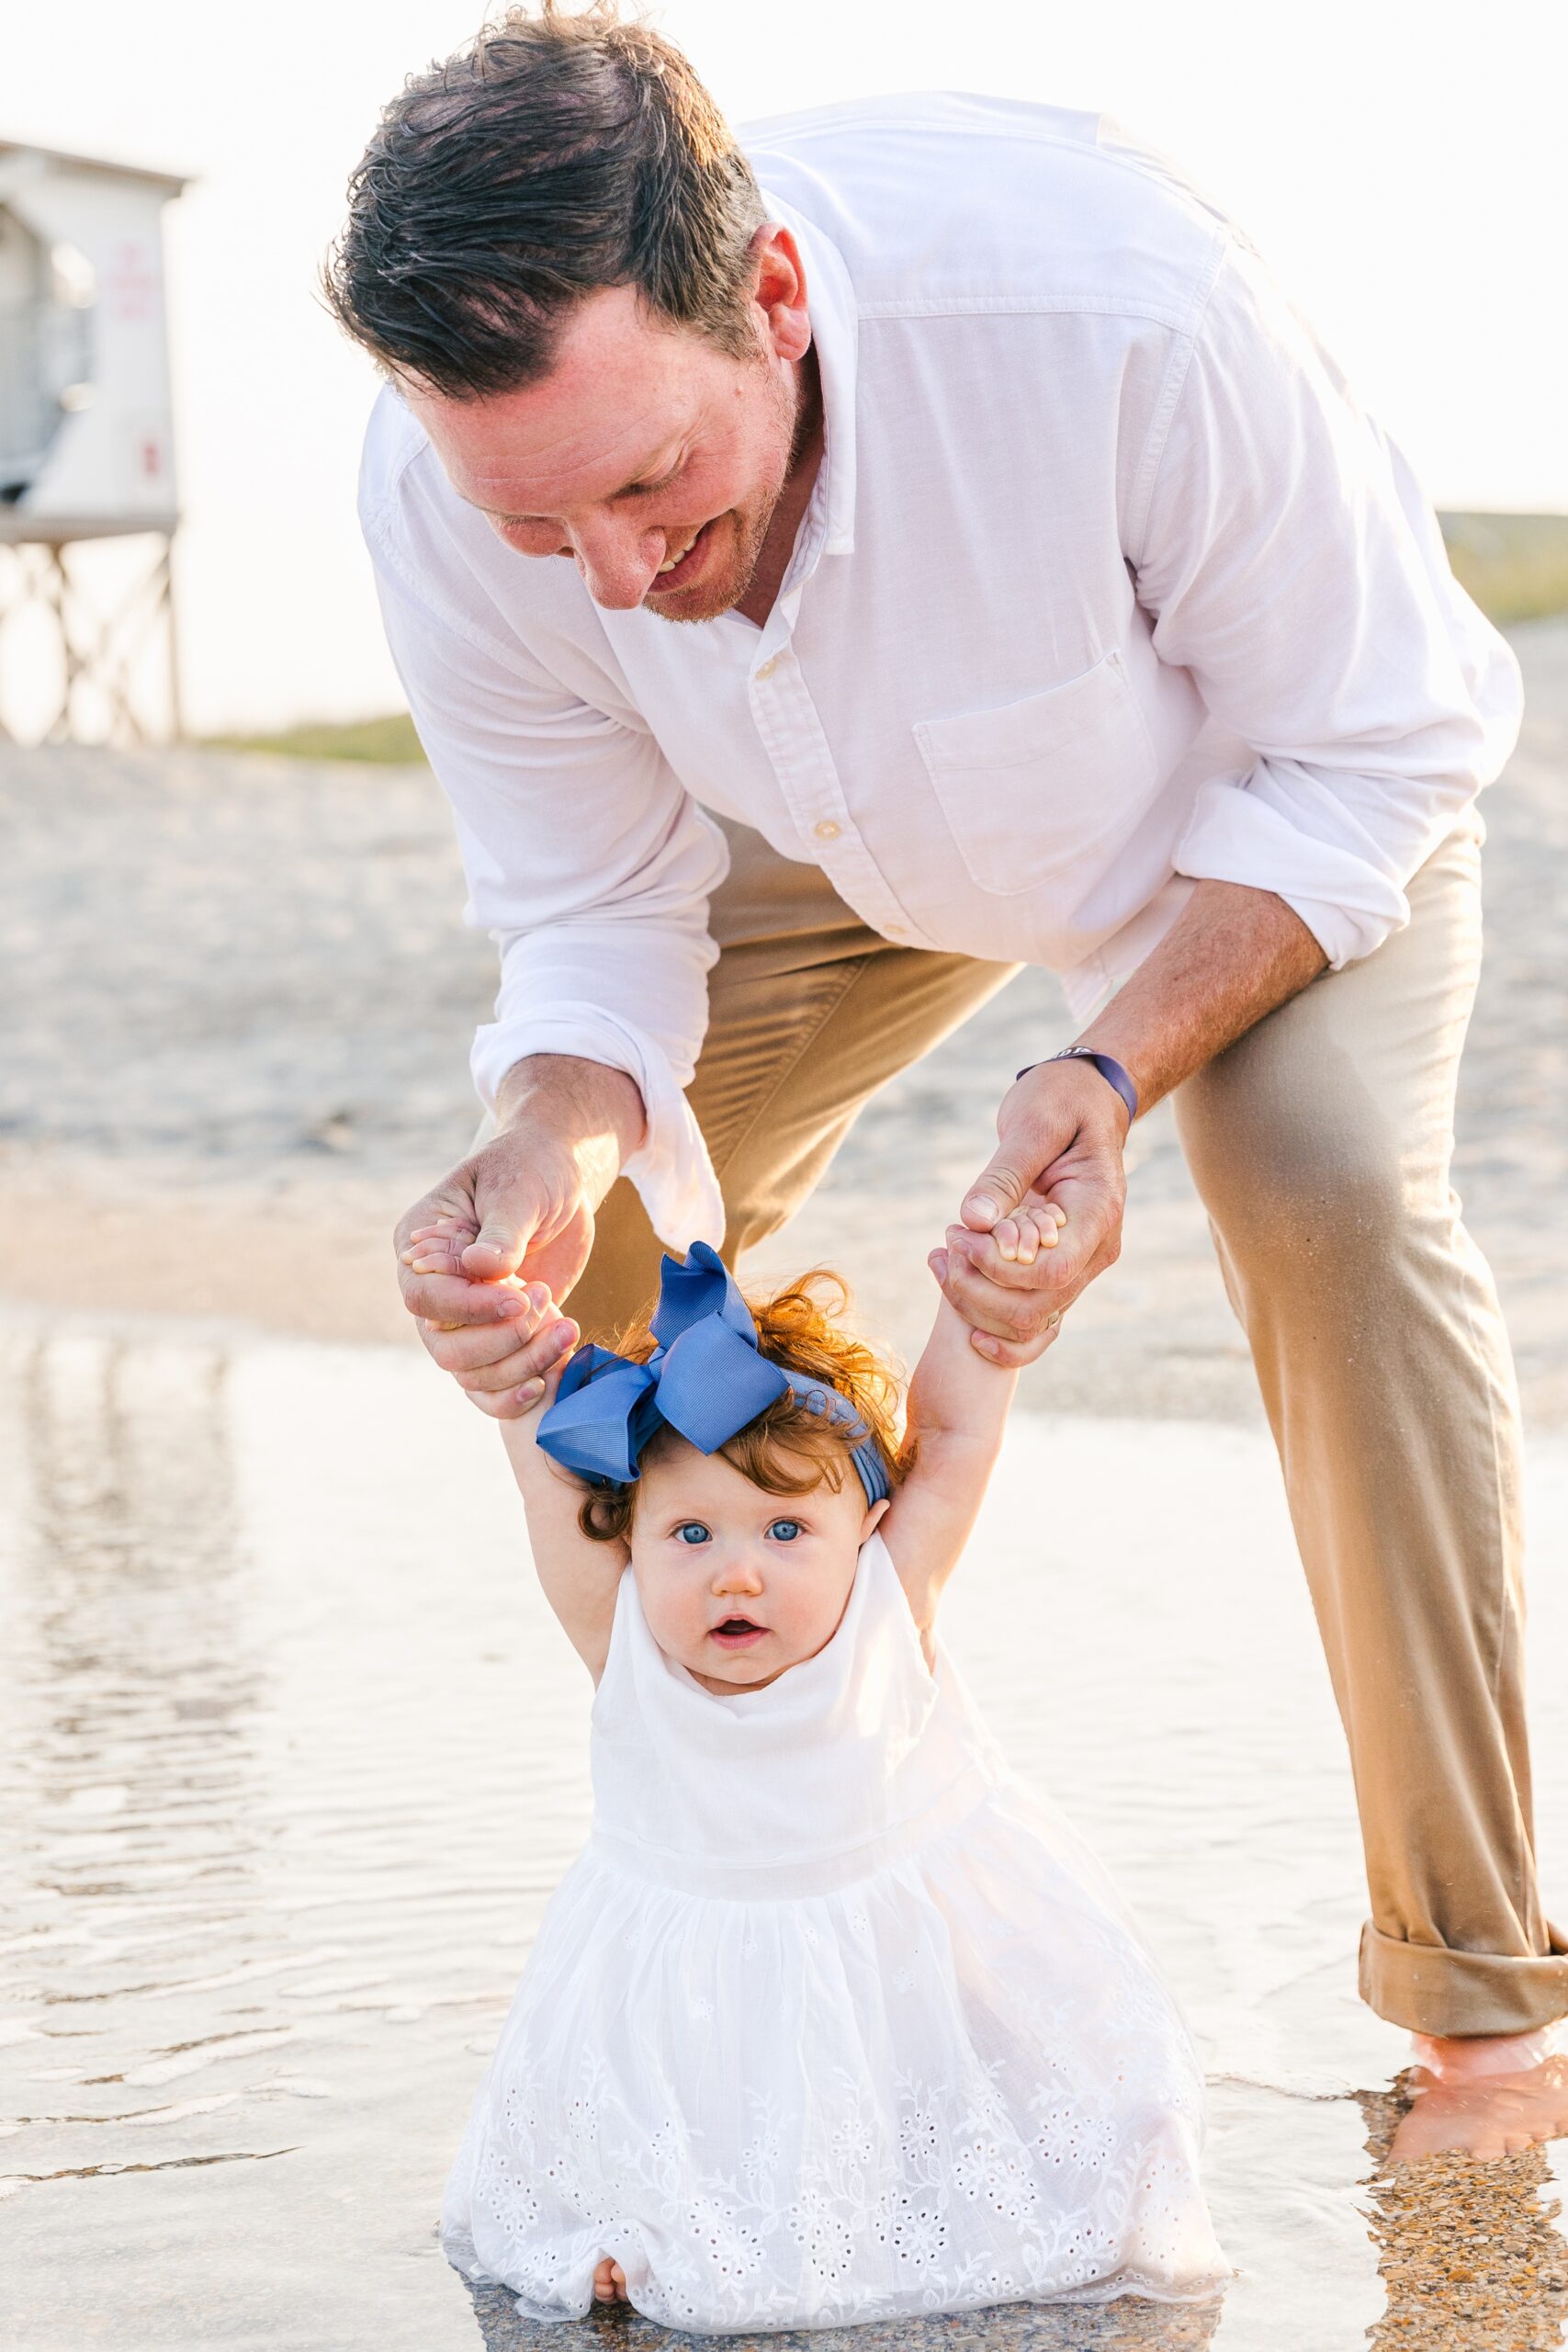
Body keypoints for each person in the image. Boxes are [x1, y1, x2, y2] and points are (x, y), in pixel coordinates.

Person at [326, 6, 1568, 2154]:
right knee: (599, 1282)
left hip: (1242, 822)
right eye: (545, 528)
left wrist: (1106, 1062)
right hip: (816, 856)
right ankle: (801, 1898)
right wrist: (541, 1131)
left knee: (1333, 1205)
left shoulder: (1105, 305)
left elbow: (1373, 738)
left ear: (775, 305)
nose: (619, 575)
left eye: (647, 484)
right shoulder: (463, 494)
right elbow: (593, 908)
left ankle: (1484, 2017)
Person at [437, 1233, 1230, 2328]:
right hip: (689, 2008)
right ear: (630, 1533)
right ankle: (629, 2224)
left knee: (1030, 2133)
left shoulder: (886, 1609)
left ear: (869, 1525)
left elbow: (951, 1436)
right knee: (672, 2125)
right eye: (690, 1530)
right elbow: (544, 1475)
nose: (738, 1568)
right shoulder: (622, 1642)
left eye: (787, 1527)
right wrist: (510, 1358)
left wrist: (984, 1321)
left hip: (908, 1980)